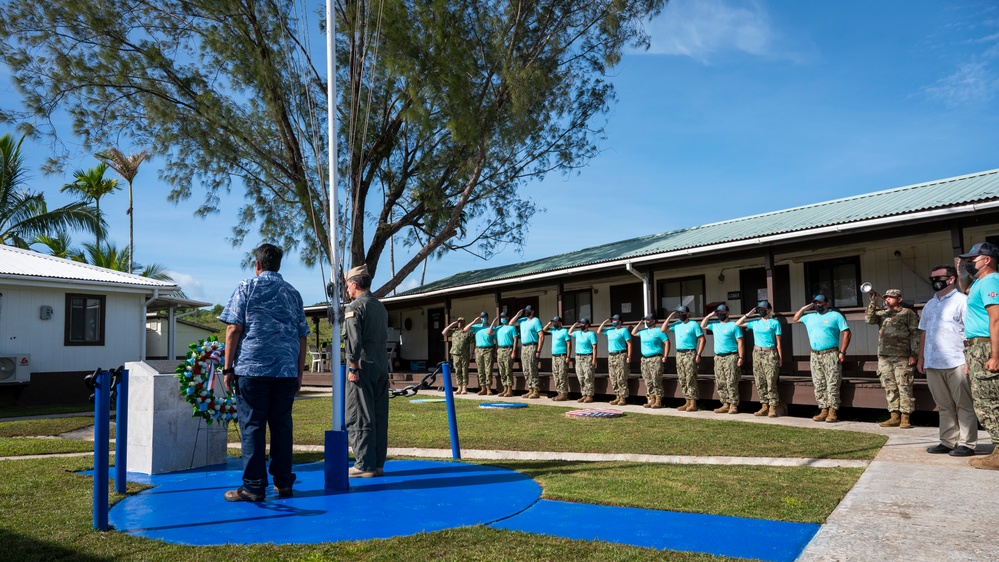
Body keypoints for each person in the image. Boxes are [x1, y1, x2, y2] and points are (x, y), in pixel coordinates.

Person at [220, 243, 309, 501]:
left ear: (257, 265)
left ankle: (253, 487)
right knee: (282, 426)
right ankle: (284, 483)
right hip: (285, 371)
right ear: (278, 265)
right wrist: (299, 373)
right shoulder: (293, 293)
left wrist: (228, 367)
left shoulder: (246, 287)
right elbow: (302, 336)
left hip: (252, 370)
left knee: (253, 427)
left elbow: (233, 329)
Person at [918, 264, 976, 456]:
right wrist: (921, 358)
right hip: (933, 362)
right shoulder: (930, 304)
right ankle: (948, 441)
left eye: (938, 277)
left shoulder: (962, 301)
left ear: (950, 279)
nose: (934, 281)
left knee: (963, 404)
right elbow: (924, 332)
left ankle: (967, 444)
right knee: (944, 405)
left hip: (957, 360)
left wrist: (969, 360)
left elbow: (969, 333)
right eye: (932, 278)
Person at [343, 264, 390, 478]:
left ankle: (363, 464)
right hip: (381, 364)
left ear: (354, 284)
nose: (347, 290)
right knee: (379, 415)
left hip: (362, 364)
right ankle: (378, 463)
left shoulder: (355, 307)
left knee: (360, 414)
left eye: (347, 286)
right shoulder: (380, 307)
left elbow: (353, 340)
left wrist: (353, 366)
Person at [958, 242, 999, 470]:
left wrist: (995, 355)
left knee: (988, 403)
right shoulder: (979, 283)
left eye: (972, 260)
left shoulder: (991, 281)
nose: (969, 263)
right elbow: (963, 288)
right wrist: (961, 272)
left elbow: (997, 319)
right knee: (986, 400)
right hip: (976, 348)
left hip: (985, 347)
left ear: (987, 260)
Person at [864, 288, 919, 429]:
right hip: (884, 357)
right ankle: (894, 416)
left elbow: (915, 334)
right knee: (890, 387)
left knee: (904, 386)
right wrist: (872, 302)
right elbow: (869, 320)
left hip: (902, 357)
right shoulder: (882, 313)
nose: (887, 299)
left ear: (899, 299)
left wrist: (914, 354)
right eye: (886, 297)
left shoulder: (907, 313)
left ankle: (905, 417)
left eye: (891, 297)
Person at [793, 295, 851, 423]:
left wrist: (842, 352)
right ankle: (823, 409)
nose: (818, 305)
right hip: (815, 355)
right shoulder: (810, 317)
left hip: (831, 353)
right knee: (819, 383)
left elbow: (846, 333)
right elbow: (796, 318)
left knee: (832, 383)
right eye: (816, 303)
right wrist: (805, 307)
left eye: (820, 303)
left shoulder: (835, 316)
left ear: (826, 304)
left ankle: (832, 411)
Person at [736, 301, 783, 417]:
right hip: (757, 353)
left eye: (763, 309)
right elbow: (738, 323)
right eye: (759, 309)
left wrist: (780, 357)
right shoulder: (755, 323)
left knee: (771, 380)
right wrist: (749, 314)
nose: (761, 311)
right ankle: (764, 406)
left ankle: (773, 406)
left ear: (769, 310)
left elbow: (778, 343)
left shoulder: (774, 323)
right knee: (759, 380)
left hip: (770, 352)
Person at [701, 304, 744, 414]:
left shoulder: (734, 325)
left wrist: (740, 357)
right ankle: (725, 403)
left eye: (722, 312)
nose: (720, 314)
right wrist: (710, 315)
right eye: (718, 313)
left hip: (731, 356)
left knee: (731, 381)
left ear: (728, 313)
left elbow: (740, 342)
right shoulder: (715, 325)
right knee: (720, 382)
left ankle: (733, 404)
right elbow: (703, 325)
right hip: (718, 357)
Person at [667, 306, 705, 411]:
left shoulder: (693, 324)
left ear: (688, 313)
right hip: (679, 354)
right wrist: (671, 316)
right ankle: (687, 401)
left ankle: (693, 403)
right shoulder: (677, 324)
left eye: (683, 313)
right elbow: (663, 329)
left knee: (690, 378)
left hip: (690, 353)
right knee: (682, 378)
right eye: (679, 313)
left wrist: (699, 354)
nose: (681, 315)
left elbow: (702, 339)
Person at [632, 313, 669, 409]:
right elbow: (633, 333)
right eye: (646, 320)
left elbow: (667, 342)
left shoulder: (659, 331)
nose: (646, 322)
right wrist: (640, 323)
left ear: (653, 321)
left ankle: (658, 400)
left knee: (656, 379)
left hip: (655, 358)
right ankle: (651, 399)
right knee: (648, 380)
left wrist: (665, 356)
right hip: (645, 359)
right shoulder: (643, 331)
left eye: (648, 320)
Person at [598, 314, 632, 405]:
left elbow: (629, 344)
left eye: (615, 320)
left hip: (621, 355)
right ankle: (617, 396)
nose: (613, 322)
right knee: (613, 377)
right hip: (611, 356)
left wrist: (629, 356)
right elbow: (599, 331)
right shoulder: (610, 331)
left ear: (620, 321)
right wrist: (605, 322)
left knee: (621, 376)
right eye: (612, 320)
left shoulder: (624, 331)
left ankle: (623, 398)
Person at [513, 306, 545, 399]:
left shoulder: (536, 321)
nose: (526, 312)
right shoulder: (522, 320)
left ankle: (536, 390)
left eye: (528, 310)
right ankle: (530, 389)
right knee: (526, 369)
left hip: (532, 346)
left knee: (532, 368)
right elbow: (511, 323)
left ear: (532, 311)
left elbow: (541, 336)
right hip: (524, 347)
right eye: (525, 310)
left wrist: (538, 350)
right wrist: (517, 315)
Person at [465, 312, 498, 395]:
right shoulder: (477, 327)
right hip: (479, 350)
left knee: (488, 369)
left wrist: (496, 351)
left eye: (484, 317)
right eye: (482, 317)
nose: (483, 318)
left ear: (487, 317)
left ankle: (488, 388)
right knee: (480, 370)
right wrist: (474, 321)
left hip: (488, 349)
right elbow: (465, 329)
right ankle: (483, 388)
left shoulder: (492, 327)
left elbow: (496, 340)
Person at [569, 318, 598, 403]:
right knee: (580, 377)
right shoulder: (578, 333)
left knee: (588, 376)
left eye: (583, 324)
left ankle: (589, 395)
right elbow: (569, 332)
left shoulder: (591, 334)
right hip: (578, 357)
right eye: (580, 324)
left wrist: (594, 359)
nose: (581, 325)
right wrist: (575, 324)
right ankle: (584, 394)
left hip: (588, 357)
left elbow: (594, 347)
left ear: (587, 325)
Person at [441, 317, 472, 394]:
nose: (460, 323)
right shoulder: (454, 331)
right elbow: (444, 333)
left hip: (464, 354)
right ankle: (459, 387)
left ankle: (464, 387)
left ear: (464, 323)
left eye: (461, 322)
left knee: (464, 371)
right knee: (457, 371)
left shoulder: (468, 332)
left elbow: (472, 343)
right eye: (459, 322)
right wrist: (451, 325)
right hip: (455, 354)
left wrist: (472, 353)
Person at [545, 316, 572, 401]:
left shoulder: (564, 331)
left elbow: (569, 344)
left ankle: (564, 394)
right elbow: (544, 329)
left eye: (556, 322)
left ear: (560, 323)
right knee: (556, 375)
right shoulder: (554, 331)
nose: (555, 324)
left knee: (562, 374)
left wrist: (568, 356)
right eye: (554, 322)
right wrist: (549, 323)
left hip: (562, 356)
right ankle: (559, 393)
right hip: (554, 356)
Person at [494, 311, 519, 397]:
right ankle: (504, 388)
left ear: (507, 318)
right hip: (500, 350)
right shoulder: (499, 328)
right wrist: (496, 350)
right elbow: (494, 337)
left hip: (508, 349)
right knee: (502, 370)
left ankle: (509, 389)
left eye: (504, 317)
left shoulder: (512, 327)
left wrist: (514, 351)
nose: (502, 319)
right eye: (501, 317)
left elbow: (515, 339)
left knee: (508, 370)